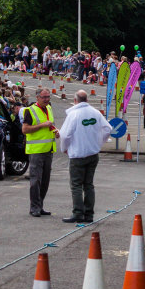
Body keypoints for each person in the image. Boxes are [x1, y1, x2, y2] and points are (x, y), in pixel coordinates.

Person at [59, 90, 112, 223]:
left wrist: (64, 148)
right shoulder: (95, 112)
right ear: (87, 99)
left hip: (78, 154)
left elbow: (65, 135)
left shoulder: (74, 114)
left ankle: (78, 213)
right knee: (88, 185)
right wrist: (99, 142)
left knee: (76, 185)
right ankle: (89, 214)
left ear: (75, 100)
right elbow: (108, 129)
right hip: (92, 153)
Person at [22, 88, 59, 217]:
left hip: (48, 149)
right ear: (37, 97)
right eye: (44, 97)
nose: (46, 99)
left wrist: (55, 131)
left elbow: (50, 124)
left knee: (45, 180)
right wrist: (42, 126)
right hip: (36, 151)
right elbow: (25, 129)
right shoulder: (30, 110)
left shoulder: (49, 108)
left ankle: (40, 205)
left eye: (48, 97)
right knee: (35, 180)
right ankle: (34, 207)